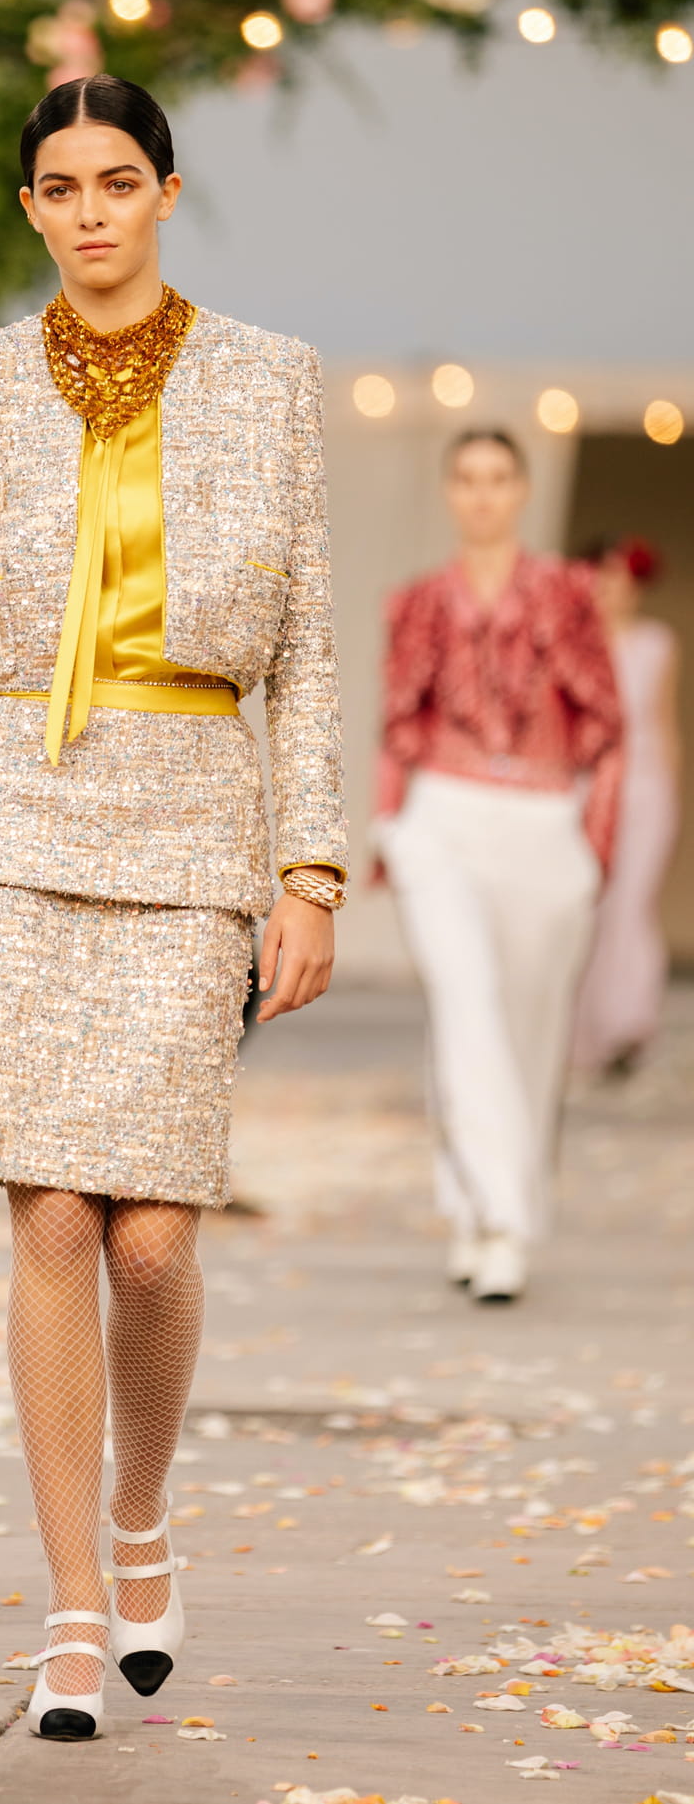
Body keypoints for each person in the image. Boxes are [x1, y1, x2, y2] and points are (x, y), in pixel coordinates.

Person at [0, 74, 347, 1741]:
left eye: (119, 180)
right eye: (62, 185)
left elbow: (305, 654)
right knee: (50, 1220)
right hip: (6, 818)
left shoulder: (270, 380)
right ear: (30, 207)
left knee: (151, 1239)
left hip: (191, 827)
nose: (91, 210)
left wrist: (310, 870)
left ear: (167, 193)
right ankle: (75, 1601)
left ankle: (141, 1507)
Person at [372, 430, 622, 1303]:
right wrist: (388, 828)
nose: (482, 494)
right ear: (450, 490)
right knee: (465, 1000)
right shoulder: (417, 602)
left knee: (527, 1026)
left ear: (521, 489)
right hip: (444, 815)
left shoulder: (569, 593)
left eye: (498, 477)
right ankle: (499, 1220)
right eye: (468, 478)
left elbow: (607, 723)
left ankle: (483, 1211)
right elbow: (397, 722)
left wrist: (596, 848)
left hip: (544, 819)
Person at [573, 538, 681, 1074]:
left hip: (643, 788)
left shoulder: (656, 643)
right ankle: (580, 1031)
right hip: (585, 788)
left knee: (632, 904)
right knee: (585, 906)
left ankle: (627, 1025)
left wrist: (671, 793)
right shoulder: (573, 643)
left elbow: (663, 721)